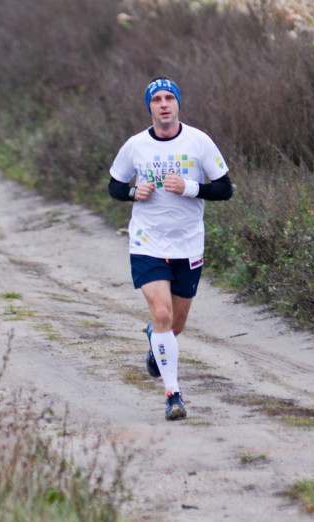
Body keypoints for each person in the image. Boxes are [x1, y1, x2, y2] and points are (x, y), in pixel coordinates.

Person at [108, 77, 233, 421]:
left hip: (188, 243)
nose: (164, 104)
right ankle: (173, 395)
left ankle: (156, 340)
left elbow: (225, 189)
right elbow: (114, 186)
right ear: (149, 107)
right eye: (157, 99)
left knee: (173, 327)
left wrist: (190, 187)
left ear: (178, 104)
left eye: (169, 98)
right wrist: (133, 193)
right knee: (162, 314)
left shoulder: (198, 141)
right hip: (147, 242)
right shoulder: (136, 145)